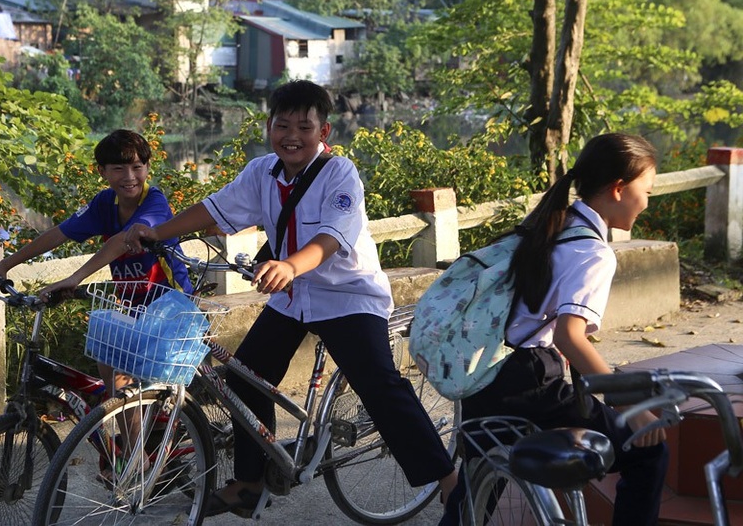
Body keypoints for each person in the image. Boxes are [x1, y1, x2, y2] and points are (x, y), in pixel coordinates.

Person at [125, 79, 456, 517]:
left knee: (378, 385)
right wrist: (157, 233)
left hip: (347, 296)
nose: (292, 136)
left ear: (325, 132)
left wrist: (290, 265)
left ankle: (451, 480)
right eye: (283, 125)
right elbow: (215, 208)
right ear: (268, 127)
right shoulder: (262, 172)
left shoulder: (341, 174)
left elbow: (331, 237)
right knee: (243, 378)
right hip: (292, 297)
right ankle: (248, 482)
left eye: (305, 126)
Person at [440, 133, 668, 526]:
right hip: (528, 380)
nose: (647, 201)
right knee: (648, 451)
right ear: (618, 189)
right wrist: (631, 407)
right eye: (646, 190)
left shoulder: (551, 223)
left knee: (472, 499)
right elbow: (569, 336)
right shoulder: (593, 252)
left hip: (484, 369)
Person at [0, 128, 193, 398]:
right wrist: (5, 265)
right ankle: (127, 440)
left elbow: (122, 240)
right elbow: (60, 233)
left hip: (171, 309)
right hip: (131, 310)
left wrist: (74, 277)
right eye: (118, 169)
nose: (129, 177)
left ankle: (137, 439)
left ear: (148, 167)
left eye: (137, 167)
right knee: (115, 382)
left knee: (128, 390)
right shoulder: (105, 203)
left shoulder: (154, 202)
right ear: (102, 171)